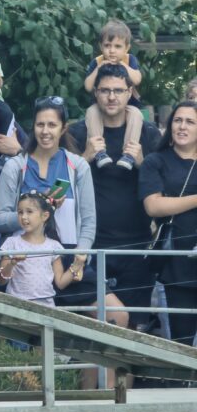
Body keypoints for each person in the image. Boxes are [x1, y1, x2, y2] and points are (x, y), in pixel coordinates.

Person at [0, 96, 128, 329]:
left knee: (117, 317)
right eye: (40, 124)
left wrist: (82, 256)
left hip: (71, 255)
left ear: (63, 128)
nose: (45, 131)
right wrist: (35, 213)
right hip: (29, 259)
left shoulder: (77, 165)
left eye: (52, 125)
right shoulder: (16, 166)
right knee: (36, 335)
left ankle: (89, 366)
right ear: (33, 127)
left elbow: (88, 220)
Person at [68, 63, 161, 328]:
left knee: (137, 326)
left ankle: (130, 372)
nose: (111, 97)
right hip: (92, 244)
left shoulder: (148, 133)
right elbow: (58, 186)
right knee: (97, 327)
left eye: (118, 91)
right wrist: (85, 156)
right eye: (105, 90)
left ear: (130, 92)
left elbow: (165, 186)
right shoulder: (78, 132)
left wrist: (144, 163)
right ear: (95, 93)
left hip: (137, 245)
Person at [139, 101, 197, 344]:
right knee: (179, 346)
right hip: (175, 268)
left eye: (190, 122)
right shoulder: (155, 161)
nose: (182, 126)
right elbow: (153, 205)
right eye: (178, 120)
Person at [83, 19, 144, 170]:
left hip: (128, 106)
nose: (112, 51)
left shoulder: (129, 60)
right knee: (91, 112)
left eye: (118, 46)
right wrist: (99, 68)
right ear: (100, 46)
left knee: (136, 115)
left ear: (126, 48)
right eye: (107, 46)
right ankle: (99, 152)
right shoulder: (97, 61)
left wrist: (122, 64)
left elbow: (137, 79)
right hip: (100, 105)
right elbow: (88, 86)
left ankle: (129, 154)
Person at [0, 191, 77, 305]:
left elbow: (60, 283)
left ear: (45, 216)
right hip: (16, 306)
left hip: (46, 307)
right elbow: (1, 281)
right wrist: (12, 263)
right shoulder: (12, 243)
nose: (23, 217)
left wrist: (78, 265)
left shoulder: (54, 246)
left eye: (29, 212)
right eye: (20, 212)